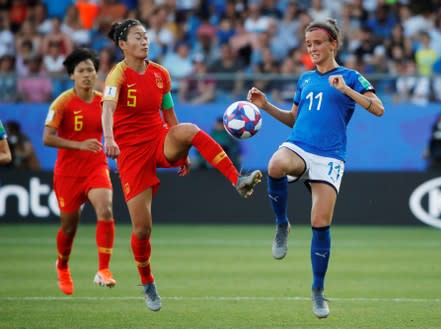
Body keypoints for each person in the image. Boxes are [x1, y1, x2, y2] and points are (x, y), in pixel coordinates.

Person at [101, 19, 262, 312]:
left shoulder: (161, 74)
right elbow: (107, 108)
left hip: (159, 140)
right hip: (131, 155)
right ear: (123, 45)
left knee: (188, 129)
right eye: (137, 37)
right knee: (142, 229)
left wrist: (181, 150)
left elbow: (169, 114)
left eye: (146, 36)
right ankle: (147, 281)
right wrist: (109, 138)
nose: (144, 41)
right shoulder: (118, 75)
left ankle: (237, 179)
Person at [247, 18, 384, 319]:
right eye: (309, 44)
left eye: (318, 43)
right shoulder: (305, 79)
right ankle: (282, 224)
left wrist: (347, 91)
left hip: (330, 156)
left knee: (320, 223)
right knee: (275, 164)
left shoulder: (350, 76)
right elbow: (295, 120)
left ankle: (318, 291)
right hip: (300, 145)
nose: (313, 48)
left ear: (333, 44)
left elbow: (378, 109)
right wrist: (266, 106)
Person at [43, 48, 117, 295]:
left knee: (105, 210)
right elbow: (47, 138)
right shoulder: (62, 102)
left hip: (96, 167)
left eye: (91, 70)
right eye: (81, 71)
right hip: (68, 173)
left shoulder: (103, 103)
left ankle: (103, 270)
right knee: (69, 227)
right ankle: (62, 266)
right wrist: (79, 144)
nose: (87, 74)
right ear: (72, 75)